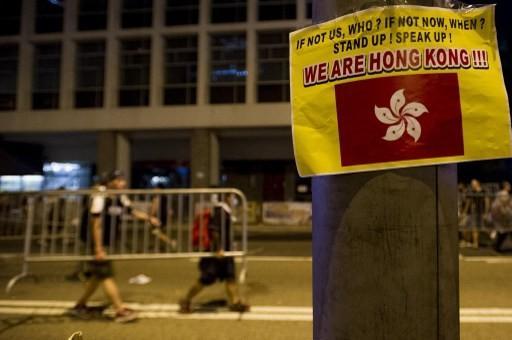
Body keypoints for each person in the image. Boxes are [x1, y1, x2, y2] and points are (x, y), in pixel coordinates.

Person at [69, 170, 161, 323]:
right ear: (109, 182)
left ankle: (80, 305)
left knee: (97, 275)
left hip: (107, 242)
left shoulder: (120, 197)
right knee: (106, 274)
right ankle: (120, 310)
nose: (122, 183)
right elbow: (95, 223)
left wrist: (149, 218)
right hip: (95, 242)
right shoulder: (100, 196)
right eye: (118, 180)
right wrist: (98, 248)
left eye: (122, 180)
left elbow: (132, 211)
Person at [179, 193, 249, 313]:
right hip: (217, 252)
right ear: (226, 198)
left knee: (230, 276)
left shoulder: (225, 211)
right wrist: (218, 248)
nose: (234, 199)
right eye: (232, 197)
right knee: (206, 279)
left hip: (226, 251)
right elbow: (214, 230)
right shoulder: (220, 211)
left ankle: (235, 302)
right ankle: (186, 300)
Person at [462, 179, 490, 248]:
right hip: (473, 212)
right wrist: (465, 212)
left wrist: (486, 212)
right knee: (473, 227)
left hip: (481, 212)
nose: (472, 185)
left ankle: (477, 242)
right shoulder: (472, 192)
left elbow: (487, 202)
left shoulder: (483, 191)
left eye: (473, 184)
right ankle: (474, 242)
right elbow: (468, 202)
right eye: (472, 184)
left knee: (481, 227)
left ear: (478, 183)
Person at [491, 187, 512, 252]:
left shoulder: (508, 203)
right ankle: (497, 247)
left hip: (507, 223)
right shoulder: (496, 204)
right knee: (502, 234)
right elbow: (499, 214)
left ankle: (497, 246)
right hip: (500, 223)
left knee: (505, 234)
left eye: (506, 196)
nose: (506, 198)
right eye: (504, 196)